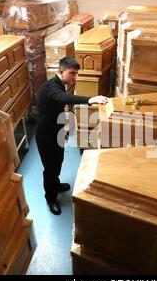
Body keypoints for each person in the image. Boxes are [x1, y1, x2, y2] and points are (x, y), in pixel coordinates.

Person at [36, 57, 108, 215]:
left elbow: (59, 109)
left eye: (76, 74)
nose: (74, 77)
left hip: (57, 133)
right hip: (46, 137)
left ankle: (55, 185)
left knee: (58, 162)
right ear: (61, 72)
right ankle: (51, 198)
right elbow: (62, 98)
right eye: (72, 74)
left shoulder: (60, 85)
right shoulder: (52, 87)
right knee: (50, 169)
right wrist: (90, 99)